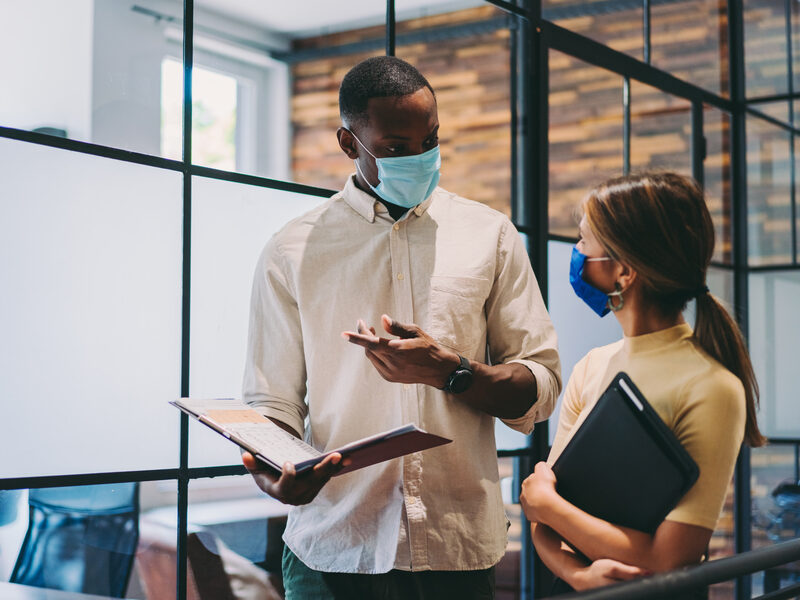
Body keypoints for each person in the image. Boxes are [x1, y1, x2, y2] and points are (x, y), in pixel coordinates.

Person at [240, 55, 562, 600]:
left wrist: (452, 372)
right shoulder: (292, 250)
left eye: (430, 140)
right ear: (350, 143)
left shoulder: (491, 235)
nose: (420, 158)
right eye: (395, 147)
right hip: (333, 549)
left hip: (456, 548)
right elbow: (270, 402)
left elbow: (541, 385)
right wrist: (276, 475)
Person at [519, 171, 766, 596]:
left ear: (624, 273)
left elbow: (670, 559)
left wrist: (549, 506)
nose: (576, 253)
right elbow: (544, 525)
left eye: (583, 242)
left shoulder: (714, 387)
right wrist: (579, 575)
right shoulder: (592, 366)